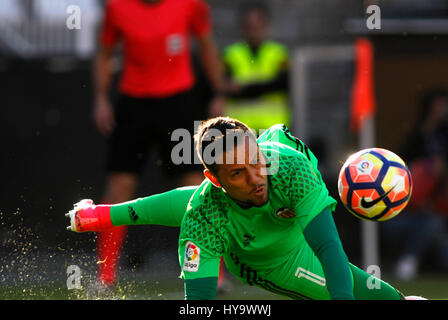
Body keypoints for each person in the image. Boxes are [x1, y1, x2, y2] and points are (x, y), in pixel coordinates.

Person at [66, 117, 425, 300]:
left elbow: (328, 246)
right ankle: (105, 215)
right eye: (238, 172)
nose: (256, 178)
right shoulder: (203, 219)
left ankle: (103, 213)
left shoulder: (288, 166)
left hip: (294, 222)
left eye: (256, 161)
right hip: (272, 258)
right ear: (214, 176)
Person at [92, 0, 225, 288]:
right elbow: (104, 54)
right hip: (133, 104)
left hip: (178, 102)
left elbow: (206, 45)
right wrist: (101, 98)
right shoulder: (117, 7)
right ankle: (105, 277)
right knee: (119, 187)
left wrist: (217, 92)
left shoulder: (191, 4)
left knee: (198, 187)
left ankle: (214, 273)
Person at [383, 89, 448, 281]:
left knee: (439, 233)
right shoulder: (413, 142)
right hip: (404, 216)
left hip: (436, 214)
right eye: (438, 106)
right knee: (432, 223)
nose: (442, 110)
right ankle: (409, 260)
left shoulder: (445, 139)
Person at [222, 1, 291, 134]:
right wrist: (265, 85)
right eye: (249, 25)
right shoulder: (230, 54)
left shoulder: (278, 53)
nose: (253, 29)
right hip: (240, 128)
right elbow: (226, 87)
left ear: (266, 25)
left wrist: (244, 88)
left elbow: (282, 84)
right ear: (242, 27)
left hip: (273, 129)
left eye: (257, 25)